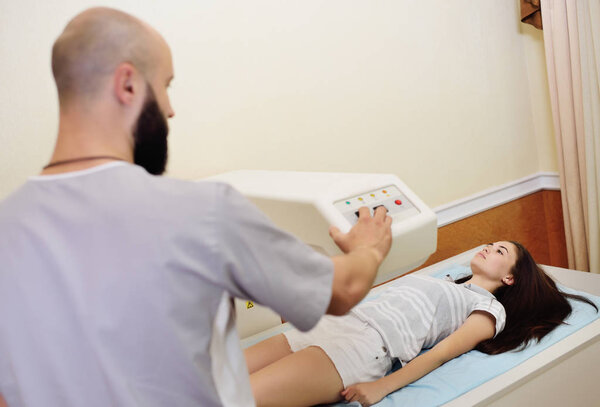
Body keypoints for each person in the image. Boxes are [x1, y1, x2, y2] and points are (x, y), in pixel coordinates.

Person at [0, 7, 393, 407]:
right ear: (128, 84)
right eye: (165, 85)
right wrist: (369, 247)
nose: (170, 109)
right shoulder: (201, 212)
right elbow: (343, 289)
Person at [245, 241, 598, 407]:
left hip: (363, 348)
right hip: (330, 327)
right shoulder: (445, 279)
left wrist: (384, 386)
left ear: (510, 279)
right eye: (490, 245)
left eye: (500, 252)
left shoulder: (489, 309)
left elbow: (443, 353)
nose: (489, 249)